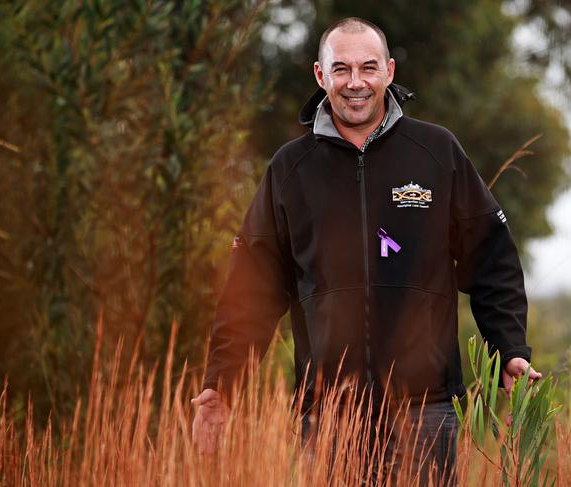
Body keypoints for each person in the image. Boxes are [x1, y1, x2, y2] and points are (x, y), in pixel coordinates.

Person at [192, 16, 541, 485]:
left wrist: (510, 348)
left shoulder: (437, 152)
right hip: (331, 415)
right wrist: (221, 383)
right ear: (321, 76)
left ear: (390, 72)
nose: (355, 83)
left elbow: (492, 260)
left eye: (368, 68)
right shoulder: (290, 170)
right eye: (341, 69)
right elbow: (250, 292)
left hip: (426, 410)